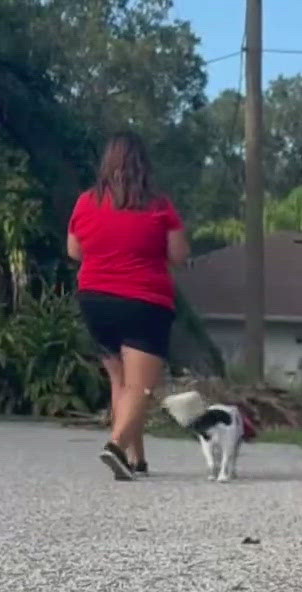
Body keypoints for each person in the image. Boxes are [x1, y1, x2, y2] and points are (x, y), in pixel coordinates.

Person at [67, 132, 190, 480]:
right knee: (140, 386)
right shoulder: (160, 205)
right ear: (144, 165)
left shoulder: (86, 202)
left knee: (121, 381)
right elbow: (178, 255)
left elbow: (74, 251)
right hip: (144, 303)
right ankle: (116, 445)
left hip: (95, 301)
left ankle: (137, 458)